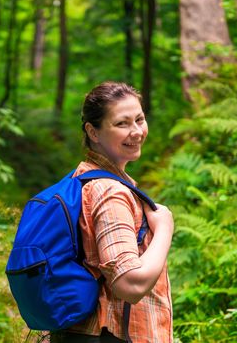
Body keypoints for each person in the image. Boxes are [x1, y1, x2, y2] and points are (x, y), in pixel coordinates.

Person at [50, 81, 174, 343]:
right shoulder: (110, 192)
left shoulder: (82, 178)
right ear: (93, 132)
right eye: (122, 124)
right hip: (113, 333)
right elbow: (130, 284)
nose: (137, 131)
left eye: (139, 119)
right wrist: (165, 227)